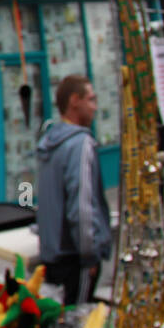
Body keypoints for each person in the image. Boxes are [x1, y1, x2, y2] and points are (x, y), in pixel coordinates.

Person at [36, 75, 112, 305]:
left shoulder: (49, 142)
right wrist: (89, 256)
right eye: (91, 99)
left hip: (52, 257)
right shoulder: (80, 144)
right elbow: (81, 205)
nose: (95, 107)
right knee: (76, 325)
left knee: (60, 325)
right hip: (75, 257)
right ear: (74, 101)